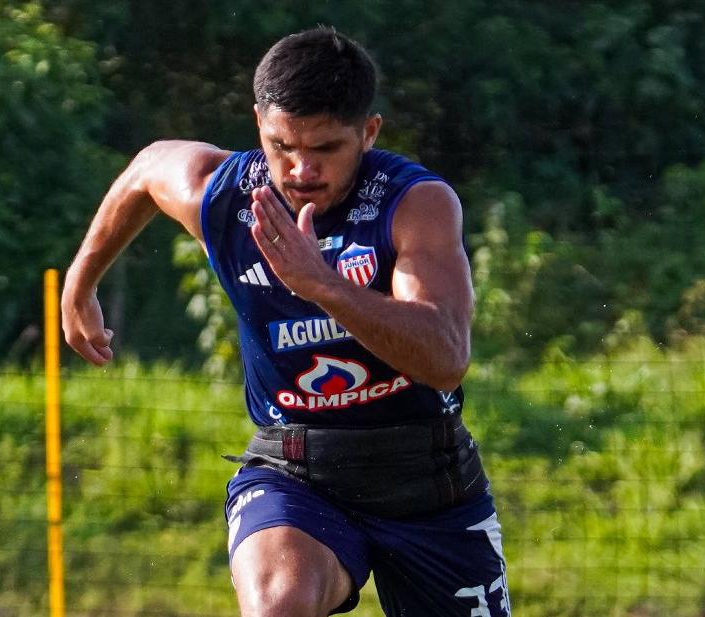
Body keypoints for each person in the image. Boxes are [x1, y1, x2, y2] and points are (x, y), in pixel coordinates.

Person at [61, 26, 510, 617]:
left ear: (368, 133)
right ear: (258, 124)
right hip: (296, 471)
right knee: (278, 606)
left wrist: (322, 285)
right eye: (281, 146)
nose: (300, 170)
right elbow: (146, 170)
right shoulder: (223, 195)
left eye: (325, 149)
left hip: (427, 481)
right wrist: (80, 281)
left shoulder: (415, 203)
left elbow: (445, 359)